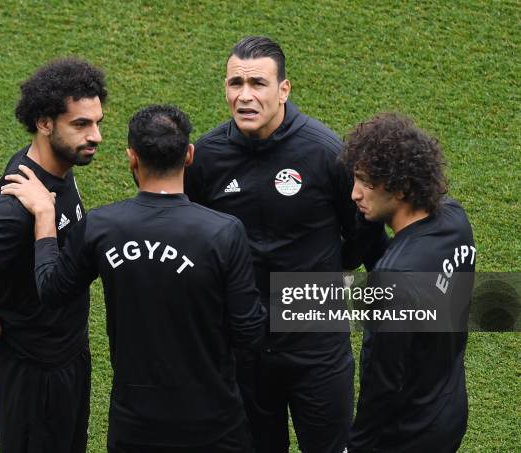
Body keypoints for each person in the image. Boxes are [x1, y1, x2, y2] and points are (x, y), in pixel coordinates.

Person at [0, 104, 267, 452]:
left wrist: (45, 214)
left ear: (131, 158)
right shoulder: (223, 232)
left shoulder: (102, 227)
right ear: (188, 155)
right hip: (213, 423)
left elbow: (50, 289)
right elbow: (249, 334)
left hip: (135, 425)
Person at [184, 36, 387, 453]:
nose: (244, 96)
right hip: (243, 347)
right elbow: (187, 236)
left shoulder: (326, 153)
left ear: (284, 89)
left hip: (316, 344)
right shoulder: (205, 158)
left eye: (257, 84)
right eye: (234, 84)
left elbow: (367, 237)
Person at [0, 58, 107, 453]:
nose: (96, 135)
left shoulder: (56, 168)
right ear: (45, 123)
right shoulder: (19, 210)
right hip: (37, 372)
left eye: (97, 122)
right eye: (81, 124)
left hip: (67, 354)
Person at [341, 112, 476, 452]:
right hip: (449, 406)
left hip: (408, 435)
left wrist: (356, 447)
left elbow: (382, 383)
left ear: (400, 188)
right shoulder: (455, 218)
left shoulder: (393, 281)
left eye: (367, 183)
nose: (355, 194)